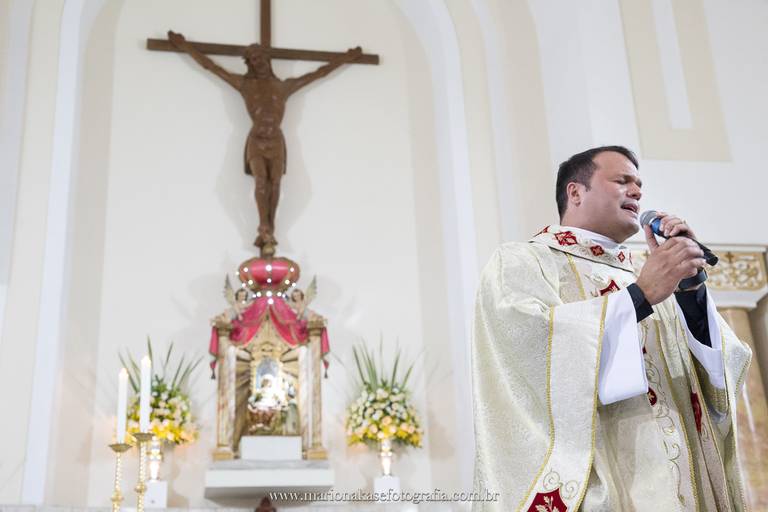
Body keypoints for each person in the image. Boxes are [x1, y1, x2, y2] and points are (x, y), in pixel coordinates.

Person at [471, 146, 751, 511]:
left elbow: (717, 375)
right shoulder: (525, 261)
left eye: (639, 184)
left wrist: (691, 292)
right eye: (623, 181)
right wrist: (640, 296)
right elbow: (525, 347)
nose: (637, 191)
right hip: (611, 486)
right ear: (575, 192)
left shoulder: (649, 269)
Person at [167, 31, 362, 252]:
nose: (258, 63)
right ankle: (263, 225)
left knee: (276, 183)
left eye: (260, 58)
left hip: (276, 140)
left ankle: (271, 228)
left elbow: (320, 73)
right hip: (257, 140)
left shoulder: (284, 87)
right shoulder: (244, 85)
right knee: (261, 181)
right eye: (253, 60)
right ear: (249, 63)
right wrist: (184, 46)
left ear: (267, 60)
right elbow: (211, 67)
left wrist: (346, 58)